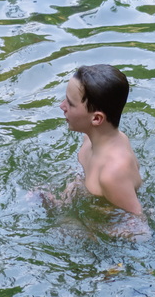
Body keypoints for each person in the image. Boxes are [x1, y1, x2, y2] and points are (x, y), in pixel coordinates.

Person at [60, 64, 143, 216]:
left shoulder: (112, 173)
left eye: (70, 104)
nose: (62, 106)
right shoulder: (89, 139)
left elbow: (140, 229)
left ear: (97, 118)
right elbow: (83, 174)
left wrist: (88, 230)